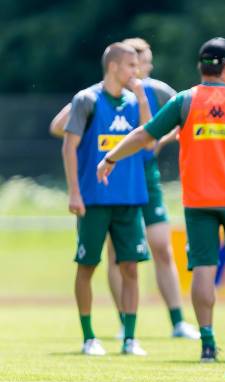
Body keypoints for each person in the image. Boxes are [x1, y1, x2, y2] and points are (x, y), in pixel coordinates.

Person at [95, 37, 225, 363]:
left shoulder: (186, 101)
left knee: (203, 270)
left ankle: (208, 343)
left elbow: (145, 135)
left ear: (201, 67)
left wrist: (111, 156)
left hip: (198, 201)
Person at [50, 38, 199, 340]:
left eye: (142, 64)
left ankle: (176, 322)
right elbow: (60, 128)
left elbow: (169, 127)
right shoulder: (93, 96)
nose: (144, 68)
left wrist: (162, 138)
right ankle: (122, 324)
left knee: (158, 247)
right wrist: (86, 137)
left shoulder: (154, 91)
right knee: (114, 256)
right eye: (139, 63)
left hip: (142, 180)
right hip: (106, 184)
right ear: (119, 65)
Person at [62, 42, 152, 356]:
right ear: (114, 66)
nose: (136, 71)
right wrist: (74, 191)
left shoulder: (133, 101)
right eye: (131, 65)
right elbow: (68, 146)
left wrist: (141, 98)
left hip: (129, 199)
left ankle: (130, 338)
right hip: (93, 200)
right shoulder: (87, 100)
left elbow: (147, 141)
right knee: (87, 266)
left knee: (130, 268)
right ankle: (89, 337)